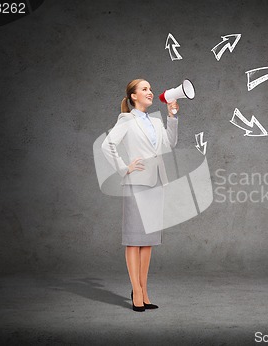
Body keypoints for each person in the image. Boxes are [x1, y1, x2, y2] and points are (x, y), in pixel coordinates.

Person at [101, 79, 179, 312]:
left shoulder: (156, 120)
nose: (150, 92)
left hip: (156, 183)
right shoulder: (126, 120)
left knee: (148, 242)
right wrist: (125, 168)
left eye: (150, 89)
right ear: (133, 96)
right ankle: (136, 290)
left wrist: (172, 117)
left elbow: (170, 144)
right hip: (136, 183)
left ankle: (144, 291)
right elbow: (107, 146)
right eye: (144, 89)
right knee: (134, 239)